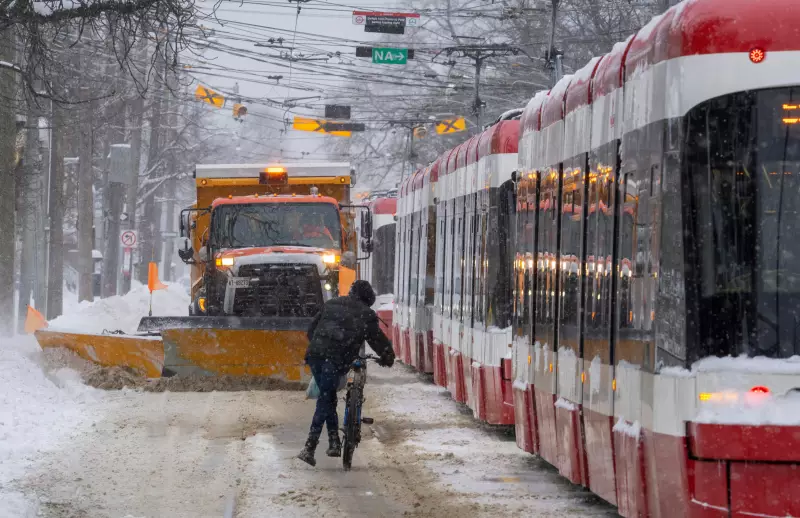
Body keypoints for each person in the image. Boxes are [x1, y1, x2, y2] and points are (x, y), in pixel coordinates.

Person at [297, 280, 395, 466]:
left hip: (315, 356)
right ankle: (309, 447)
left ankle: (334, 441)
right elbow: (377, 340)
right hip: (334, 359)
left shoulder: (331, 303)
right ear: (368, 299)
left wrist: (322, 343)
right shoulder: (366, 314)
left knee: (328, 397)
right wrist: (387, 357)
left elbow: (311, 331)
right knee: (326, 399)